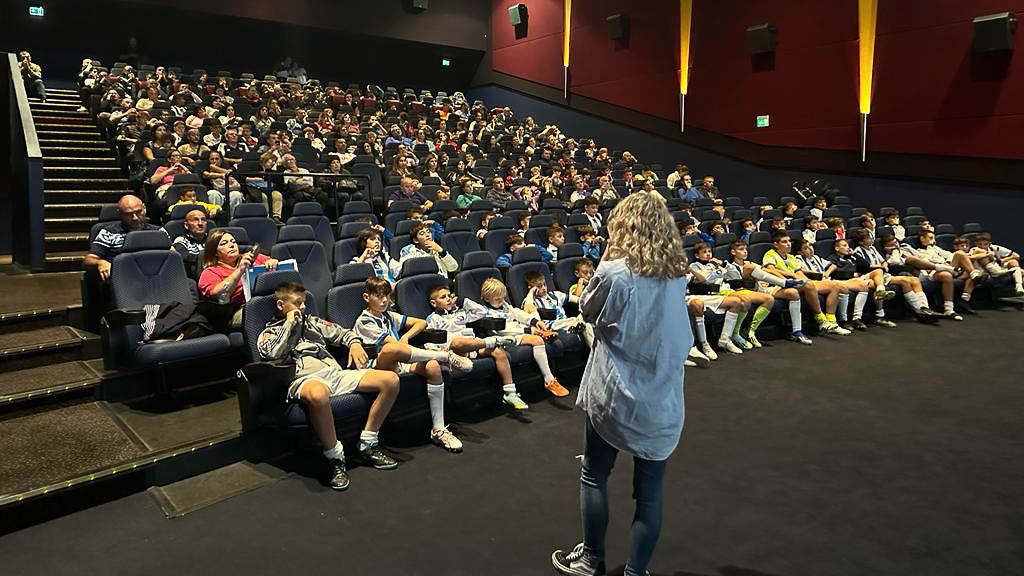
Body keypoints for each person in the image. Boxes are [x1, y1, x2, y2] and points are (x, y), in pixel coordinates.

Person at [552, 191, 690, 576]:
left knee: (594, 474)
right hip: (662, 396)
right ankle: (635, 572)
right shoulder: (676, 272)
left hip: (617, 395)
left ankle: (590, 560)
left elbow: (587, 309)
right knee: (649, 497)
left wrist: (606, 257)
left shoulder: (616, 271)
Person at [258, 282, 399, 491]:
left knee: (390, 381)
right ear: (281, 305)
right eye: (298, 303)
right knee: (318, 394)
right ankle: (335, 457)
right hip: (303, 378)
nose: (303, 307)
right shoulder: (269, 331)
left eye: (304, 302)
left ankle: (368, 443)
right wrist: (289, 324)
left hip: (334, 373)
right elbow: (270, 354)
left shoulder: (313, 322)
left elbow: (343, 333)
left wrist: (355, 344)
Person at [354, 277, 471, 453]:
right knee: (391, 348)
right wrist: (401, 344)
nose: (384, 300)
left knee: (432, 366)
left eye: (387, 295)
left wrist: (406, 336)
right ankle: (444, 356)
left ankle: (438, 429)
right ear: (366, 297)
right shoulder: (364, 321)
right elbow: (392, 346)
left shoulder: (388, 315)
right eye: (378, 296)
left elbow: (421, 323)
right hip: (376, 368)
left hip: (399, 362)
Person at [425, 282, 567, 407]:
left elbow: (480, 312)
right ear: (433, 303)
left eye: (449, 295)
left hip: (475, 345)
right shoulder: (433, 319)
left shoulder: (461, 312)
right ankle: (484, 345)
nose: (448, 299)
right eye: (443, 297)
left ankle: (510, 392)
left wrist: (463, 302)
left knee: (498, 351)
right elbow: (432, 339)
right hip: (456, 349)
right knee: (457, 342)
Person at [762, 230, 852, 337]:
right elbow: (771, 270)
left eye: (789, 241)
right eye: (784, 242)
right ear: (776, 244)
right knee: (808, 285)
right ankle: (821, 320)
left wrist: (807, 281)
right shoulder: (770, 254)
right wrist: (792, 277)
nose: (788, 244)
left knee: (834, 286)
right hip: (779, 285)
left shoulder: (791, 257)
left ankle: (831, 322)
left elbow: (799, 273)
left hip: (796, 283)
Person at [723, 240, 812, 345]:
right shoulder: (730, 266)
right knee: (751, 268)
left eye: (746, 249)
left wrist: (777, 278)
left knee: (793, 293)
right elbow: (736, 282)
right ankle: (785, 283)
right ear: (733, 252)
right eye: (741, 249)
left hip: (761, 289)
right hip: (744, 291)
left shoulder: (750, 263)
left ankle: (796, 331)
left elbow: (767, 271)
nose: (745, 252)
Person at [850, 229, 940, 323]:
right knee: (887, 275)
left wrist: (884, 266)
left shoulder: (872, 248)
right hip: (869, 275)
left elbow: (883, 262)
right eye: (868, 238)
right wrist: (881, 267)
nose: (871, 239)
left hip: (882, 274)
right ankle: (919, 311)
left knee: (913, 280)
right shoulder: (858, 251)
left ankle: (924, 308)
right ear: (861, 242)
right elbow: (864, 267)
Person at [198, 230, 279, 326]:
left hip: (268, 302)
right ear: (215, 252)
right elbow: (220, 294)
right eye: (224, 243)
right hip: (238, 310)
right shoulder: (210, 272)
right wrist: (240, 270)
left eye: (233, 241)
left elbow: (278, 268)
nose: (231, 245)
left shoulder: (253, 258)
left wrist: (273, 263)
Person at [687, 242, 754, 355]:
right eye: (704, 252)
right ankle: (704, 344)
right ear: (697, 255)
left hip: (722, 292)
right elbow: (705, 279)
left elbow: (736, 277)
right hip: (705, 294)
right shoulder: (695, 266)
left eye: (709, 252)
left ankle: (725, 339)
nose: (708, 254)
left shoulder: (716, 265)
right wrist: (711, 265)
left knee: (738, 302)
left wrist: (725, 264)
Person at [84, 195, 163, 281]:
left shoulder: (158, 231)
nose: (135, 218)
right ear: (120, 213)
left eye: (138, 212)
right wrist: (100, 262)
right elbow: (88, 260)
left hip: (155, 278)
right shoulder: (109, 232)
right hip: (123, 280)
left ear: (144, 208)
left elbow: (172, 257)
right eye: (128, 214)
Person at [826, 238, 898, 329]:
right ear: (837, 248)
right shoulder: (832, 258)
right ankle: (863, 317)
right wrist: (852, 274)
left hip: (856, 279)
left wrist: (854, 254)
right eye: (844, 246)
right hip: (842, 280)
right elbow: (833, 272)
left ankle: (881, 291)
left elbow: (865, 266)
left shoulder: (851, 257)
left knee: (878, 272)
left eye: (848, 245)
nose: (848, 248)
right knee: (867, 284)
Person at [969, 232, 1023, 296]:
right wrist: (987, 254)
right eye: (980, 244)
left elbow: (1016, 256)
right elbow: (969, 258)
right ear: (976, 243)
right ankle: (997, 272)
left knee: (1015, 264)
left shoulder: (995, 248)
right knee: (1019, 271)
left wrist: (1001, 260)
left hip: (998, 267)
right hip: (984, 271)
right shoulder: (974, 250)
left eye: (985, 244)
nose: (982, 246)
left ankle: (1019, 286)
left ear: (989, 244)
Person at [170, 206, 211, 276]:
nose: (200, 223)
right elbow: (185, 258)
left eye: (203, 220)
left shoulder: (212, 238)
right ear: (186, 225)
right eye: (195, 220)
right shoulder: (180, 240)